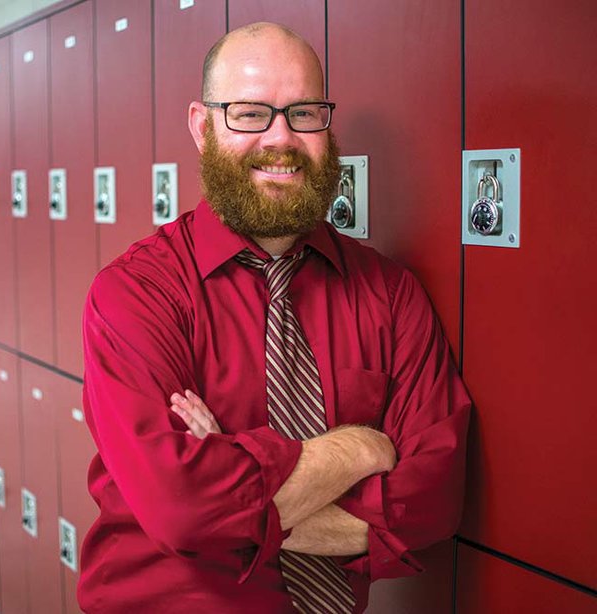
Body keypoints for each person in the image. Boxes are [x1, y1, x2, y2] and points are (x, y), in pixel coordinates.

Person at [79, 22, 470, 613]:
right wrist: (361, 450)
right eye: (250, 113)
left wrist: (235, 480)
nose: (281, 138)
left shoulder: (391, 295)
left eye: (304, 112)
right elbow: (182, 510)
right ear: (202, 125)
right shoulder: (136, 294)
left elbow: (434, 500)